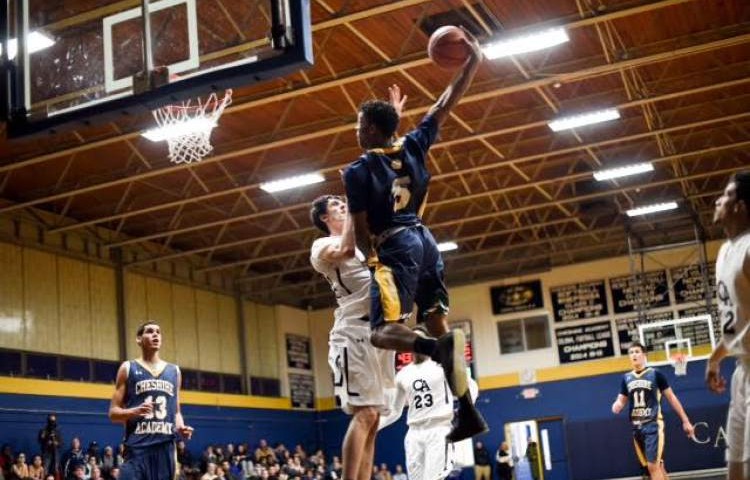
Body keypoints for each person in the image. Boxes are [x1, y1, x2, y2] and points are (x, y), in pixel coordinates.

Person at [342, 29, 487, 442]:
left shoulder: (357, 171)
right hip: (427, 241)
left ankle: (431, 349)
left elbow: (359, 233)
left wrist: (369, 263)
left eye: (359, 124)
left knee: (381, 331)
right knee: (439, 323)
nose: (356, 130)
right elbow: (445, 103)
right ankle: (468, 411)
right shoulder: (414, 144)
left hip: (396, 245)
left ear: (370, 129)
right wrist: (473, 62)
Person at [310, 195, 395, 480]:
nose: (343, 205)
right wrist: (354, 204)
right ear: (324, 218)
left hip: (378, 334)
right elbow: (344, 249)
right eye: (336, 205)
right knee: (365, 413)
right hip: (352, 333)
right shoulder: (321, 246)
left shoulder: (363, 249)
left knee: (375, 418)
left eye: (344, 203)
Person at [379, 326, 479, 480]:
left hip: (439, 430)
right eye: (413, 340)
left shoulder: (442, 365)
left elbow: (471, 386)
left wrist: (464, 408)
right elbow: (394, 411)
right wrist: (374, 426)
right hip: (414, 433)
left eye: (421, 340)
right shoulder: (403, 374)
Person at [706, 170, 750, 480]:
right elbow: (739, 319)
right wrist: (715, 357)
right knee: (734, 466)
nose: (718, 200)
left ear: (741, 206)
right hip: (741, 371)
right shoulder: (724, 251)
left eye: (727, 195)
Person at [109, 322, 194, 480]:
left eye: (158, 332)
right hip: (136, 449)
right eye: (150, 331)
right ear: (139, 339)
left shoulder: (174, 371)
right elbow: (113, 413)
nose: (155, 335)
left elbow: (175, 412)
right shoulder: (128, 368)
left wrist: (181, 427)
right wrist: (135, 411)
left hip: (165, 450)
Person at [612, 342, 694, 479]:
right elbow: (622, 399)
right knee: (658, 467)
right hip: (637, 428)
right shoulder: (626, 378)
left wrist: (685, 421)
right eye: (631, 352)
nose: (634, 355)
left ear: (644, 355)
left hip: (653, 425)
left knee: (653, 467)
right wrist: (617, 404)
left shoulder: (655, 374)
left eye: (637, 351)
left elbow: (671, 397)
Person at [38, 414, 61, 478]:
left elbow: (61, 443)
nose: (52, 422)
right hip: (46, 453)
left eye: (53, 420)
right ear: (48, 420)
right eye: (50, 420)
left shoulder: (57, 431)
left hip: (55, 453)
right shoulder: (43, 430)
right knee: (45, 470)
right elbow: (40, 440)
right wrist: (47, 442)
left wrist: (56, 443)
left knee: (56, 470)